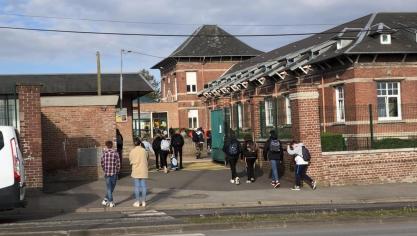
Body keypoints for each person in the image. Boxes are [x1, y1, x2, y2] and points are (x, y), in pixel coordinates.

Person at [129, 138, 149, 207]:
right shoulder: (144, 151)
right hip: (143, 169)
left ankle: (137, 201)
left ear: (134, 144)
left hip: (136, 170)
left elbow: (130, 160)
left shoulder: (132, 151)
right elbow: (147, 158)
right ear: (140, 143)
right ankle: (143, 202)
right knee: (143, 186)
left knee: (137, 187)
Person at [101, 140, 120, 207]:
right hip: (114, 173)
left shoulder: (104, 153)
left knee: (109, 188)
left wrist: (105, 170)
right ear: (112, 145)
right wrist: (117, 171)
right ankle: (111, 202)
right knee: (112, 187)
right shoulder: (115, 153)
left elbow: (102, 163)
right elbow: (118, 163)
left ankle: (105, 199)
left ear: (106, 145)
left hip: (107, 173)